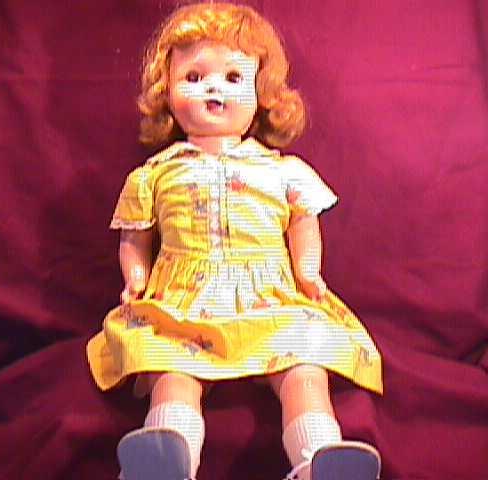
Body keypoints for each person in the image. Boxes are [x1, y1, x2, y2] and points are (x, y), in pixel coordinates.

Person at [86, 3, 383, 479]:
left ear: (261, 92)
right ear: (167, 91)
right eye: (194, 77)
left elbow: (303, 223)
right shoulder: (154, 175)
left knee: (304, 369)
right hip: (182, 301)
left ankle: (317, 459)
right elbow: (134, 237)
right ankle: (168, 459)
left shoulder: (283, 171)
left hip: (271, 296)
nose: (213, 88)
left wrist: (308, 271)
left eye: (232, 77)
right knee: (173, 373)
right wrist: (135, 279)